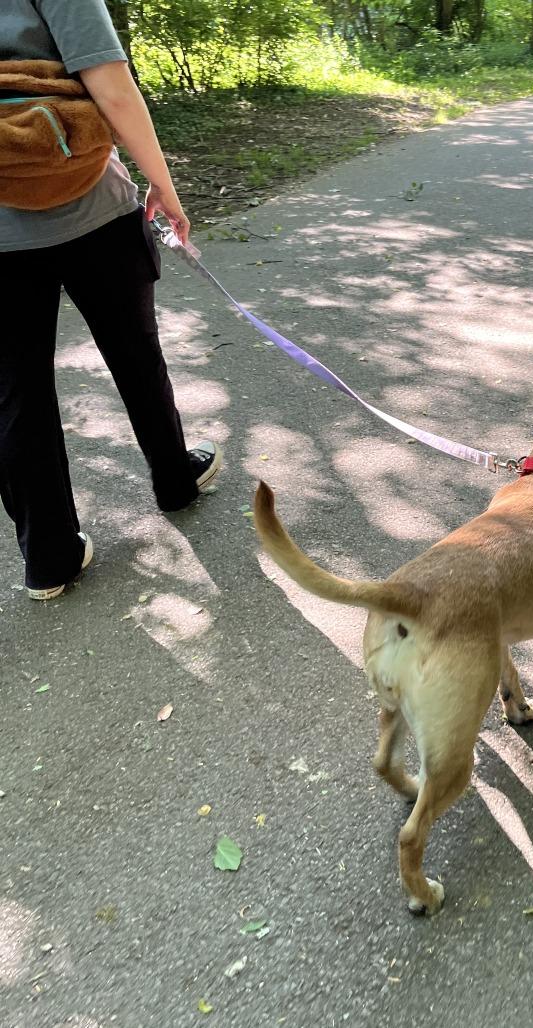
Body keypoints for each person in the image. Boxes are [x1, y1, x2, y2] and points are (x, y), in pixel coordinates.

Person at [0, 0, 222, 600]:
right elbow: (111, 87)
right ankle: (174, 478)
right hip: (93, 208)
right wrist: (164, 186)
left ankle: (49, 557)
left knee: (15, 393)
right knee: (134, 352)